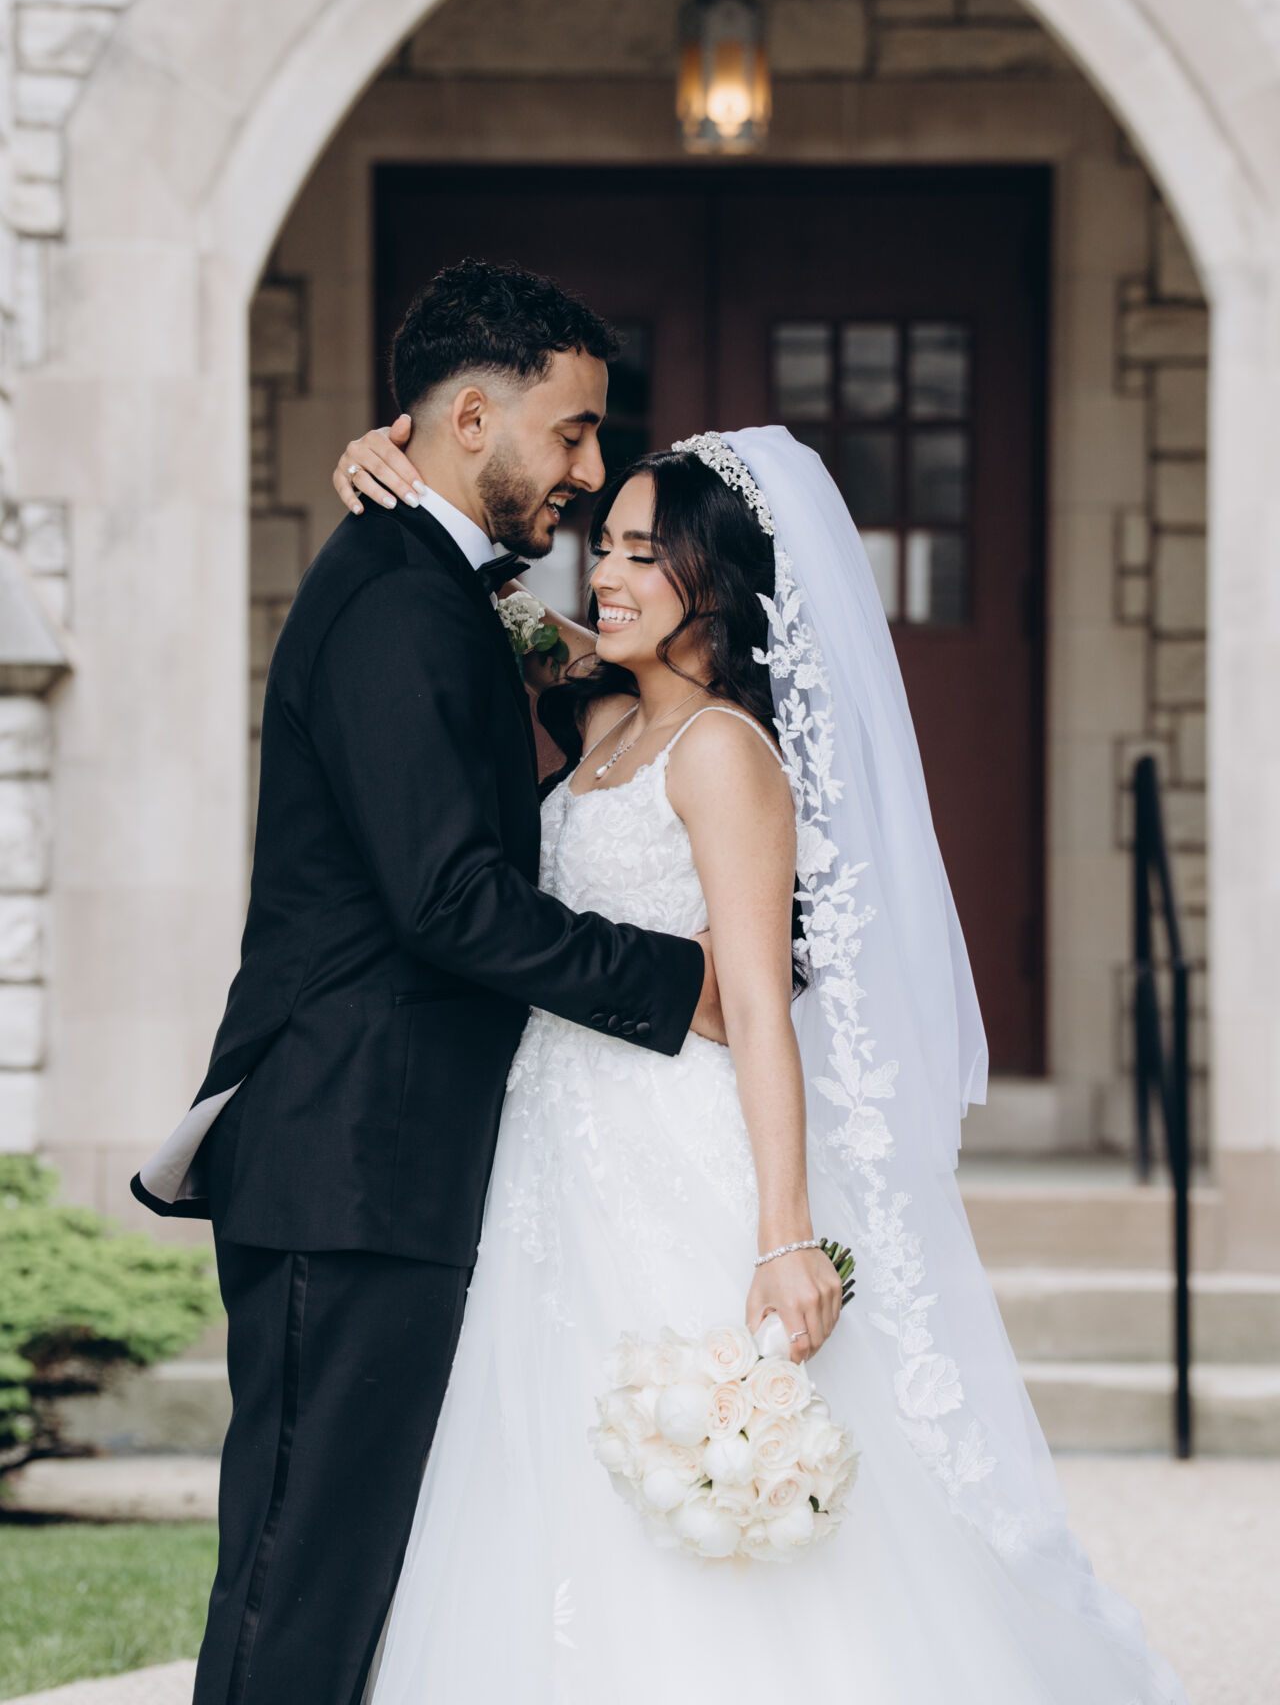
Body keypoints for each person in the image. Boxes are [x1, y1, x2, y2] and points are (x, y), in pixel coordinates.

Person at [333, 424, 1187, 1703]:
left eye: (641, 555)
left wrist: (784, 1232)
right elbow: (503, 606)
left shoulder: (723, 753)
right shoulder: (607, 715)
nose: (601, 575)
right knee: (546, 1457)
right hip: (553, 1148)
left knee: (686, 1455)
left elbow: (757, 1007)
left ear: (718, 586)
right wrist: (394, 479)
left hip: (670, 1147)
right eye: (601, 546)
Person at [130, 260, 725, 1705]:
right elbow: (450, 904)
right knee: (299, 1584)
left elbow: (577, 669)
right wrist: (682, 982)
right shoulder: (397, 597)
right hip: (349, 1156)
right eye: (570, 432)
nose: (587, 470)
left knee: (341, 1582)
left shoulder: (436, 584)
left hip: (384, 1158)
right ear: (471, 418)